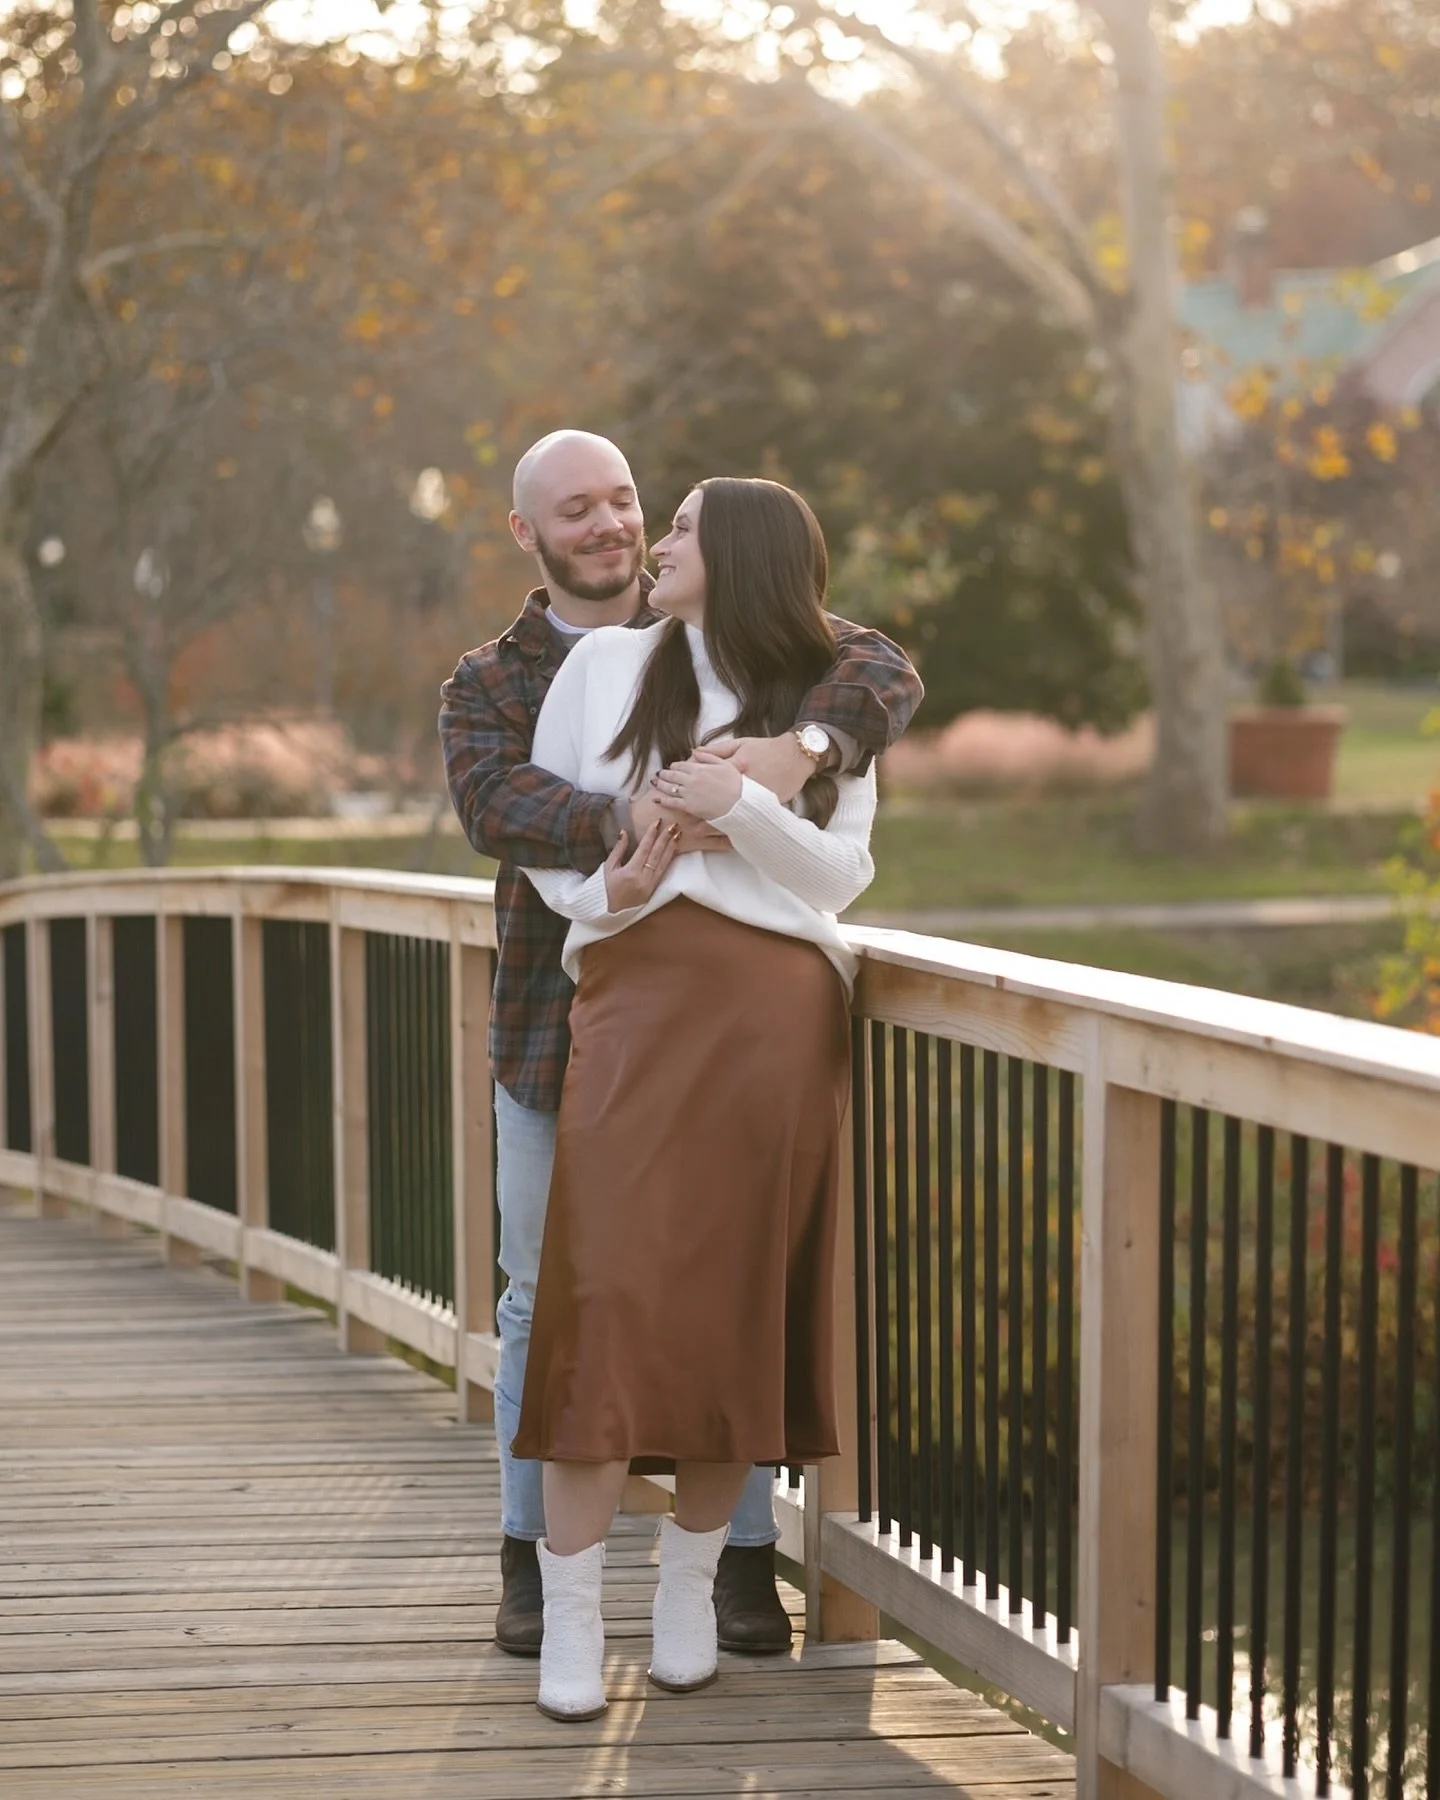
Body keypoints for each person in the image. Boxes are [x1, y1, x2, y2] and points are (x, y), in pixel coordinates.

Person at [438, 431, 922, 1664]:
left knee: (729, 1285)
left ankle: (729, 1572)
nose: (615, 528)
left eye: (627, 502)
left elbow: (877, 667)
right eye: (579, 511)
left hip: (738, 1017)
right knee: (552, 1292)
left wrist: (790, 758)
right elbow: (501, 808)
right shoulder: (498, 679)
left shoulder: (786, 664)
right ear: (527, 533)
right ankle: (533, 1571)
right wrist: (642, 820)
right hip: (565, 1022)